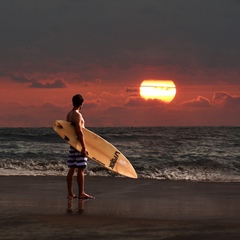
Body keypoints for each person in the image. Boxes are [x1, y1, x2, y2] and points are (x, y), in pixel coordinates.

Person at [66, 94, 94, 200]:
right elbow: (79, 131)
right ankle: (81, 193)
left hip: (73, 145)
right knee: (81, 169)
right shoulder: (77, 115)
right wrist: (83, 147)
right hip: (78, 144)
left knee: (72, 168)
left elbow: (68, 132)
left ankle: (70, 193)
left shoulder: (69, 114)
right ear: (82, 103)